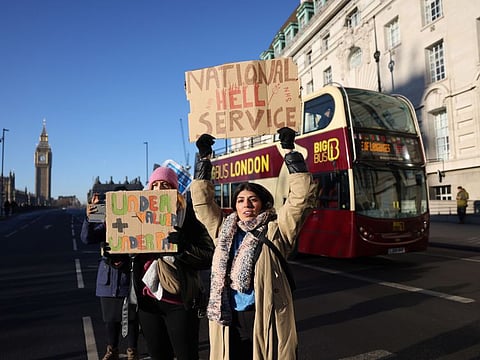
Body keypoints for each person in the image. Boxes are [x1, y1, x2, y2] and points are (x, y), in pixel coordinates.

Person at [191, 128, 316, 360]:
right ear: (235, 206)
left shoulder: (277, 229)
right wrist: (204, 160)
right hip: (229, 318)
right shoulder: (223, 229)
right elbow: (202, 202)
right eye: (240, 200)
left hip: (264, 316)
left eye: (252, 199)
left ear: (263, 204)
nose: (246, 204)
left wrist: (289, 151)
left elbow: (302, 198)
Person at [130, 166, 215, 360]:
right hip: (148, 302)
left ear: (175, 191)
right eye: (156, 184)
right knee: (158, 355)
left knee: (186, 355)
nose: (160, 188)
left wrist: (183, 247)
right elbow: (130, 258)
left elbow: (207, 256)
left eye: (166, 185)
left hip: (180, 301)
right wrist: (115, 256)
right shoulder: (136, 217)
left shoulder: (189, 218)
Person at [80, 188, 139, 360]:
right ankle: (111, 350)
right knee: (110, 319)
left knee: (132, 318)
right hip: (108, 279)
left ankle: (132, 352)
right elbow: (86, 238)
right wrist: (89, 218)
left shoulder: (136, 223)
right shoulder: (104, 222)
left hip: (129, 277)